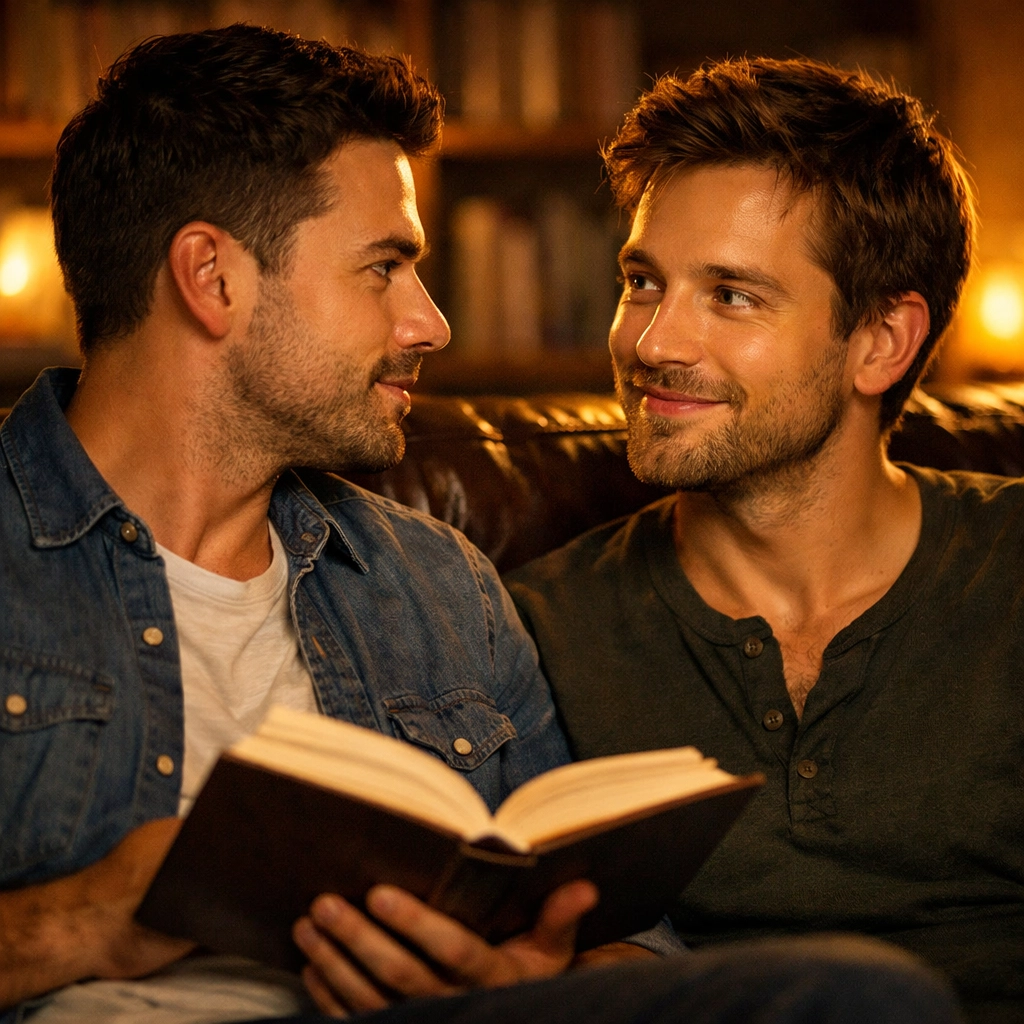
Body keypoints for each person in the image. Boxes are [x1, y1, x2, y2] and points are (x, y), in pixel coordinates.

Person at [0, 29, 961, 1024]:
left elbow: (609, 938)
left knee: (842, 998)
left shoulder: (434, 584)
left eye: (729, 294)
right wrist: (80, 920)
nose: (430, 323)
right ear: (213, 278)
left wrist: (528, 977)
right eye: (383, 267)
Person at [505, 58, 1023, 1024]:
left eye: (731, 295)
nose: (654, 342)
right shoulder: (534, 627)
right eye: (642, 282)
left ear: (880, 341)